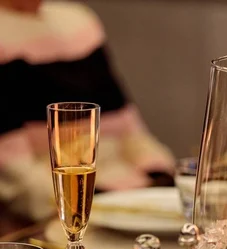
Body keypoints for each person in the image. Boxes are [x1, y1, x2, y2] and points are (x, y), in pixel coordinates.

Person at [0, 0, 175, 221]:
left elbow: (129, 128)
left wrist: (160, 178)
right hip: (62, 208)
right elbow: (16, 175)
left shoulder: (78, 21)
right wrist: (88, 208)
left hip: (129, 197)